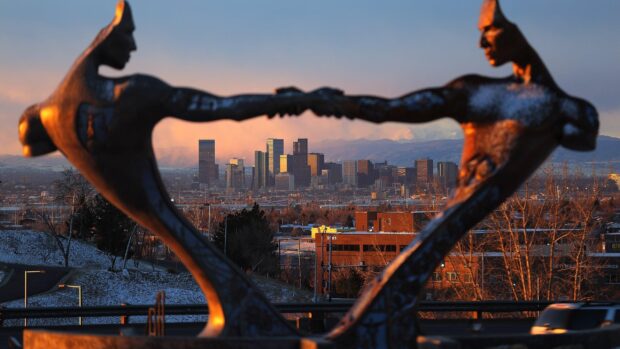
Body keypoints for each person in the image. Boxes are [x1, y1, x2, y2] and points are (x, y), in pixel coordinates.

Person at [303, 1, 600, 347]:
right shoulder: (479, 92)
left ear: (514, 30)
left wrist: (322, 102)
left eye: (489, 31)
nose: (481, 44)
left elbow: (583, 137)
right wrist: (324, 102)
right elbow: (392, 109)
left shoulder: (565, 109)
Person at [17, 0, 317, 337]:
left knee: (189, 243)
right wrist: (285, 102)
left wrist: (284, 102)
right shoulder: (132, 93)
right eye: (128, 37)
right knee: (188, 243)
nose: (133, 47)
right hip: (149, 195)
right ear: (109, 40)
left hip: (144, 193)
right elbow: (218, 107)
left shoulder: (58, 117)